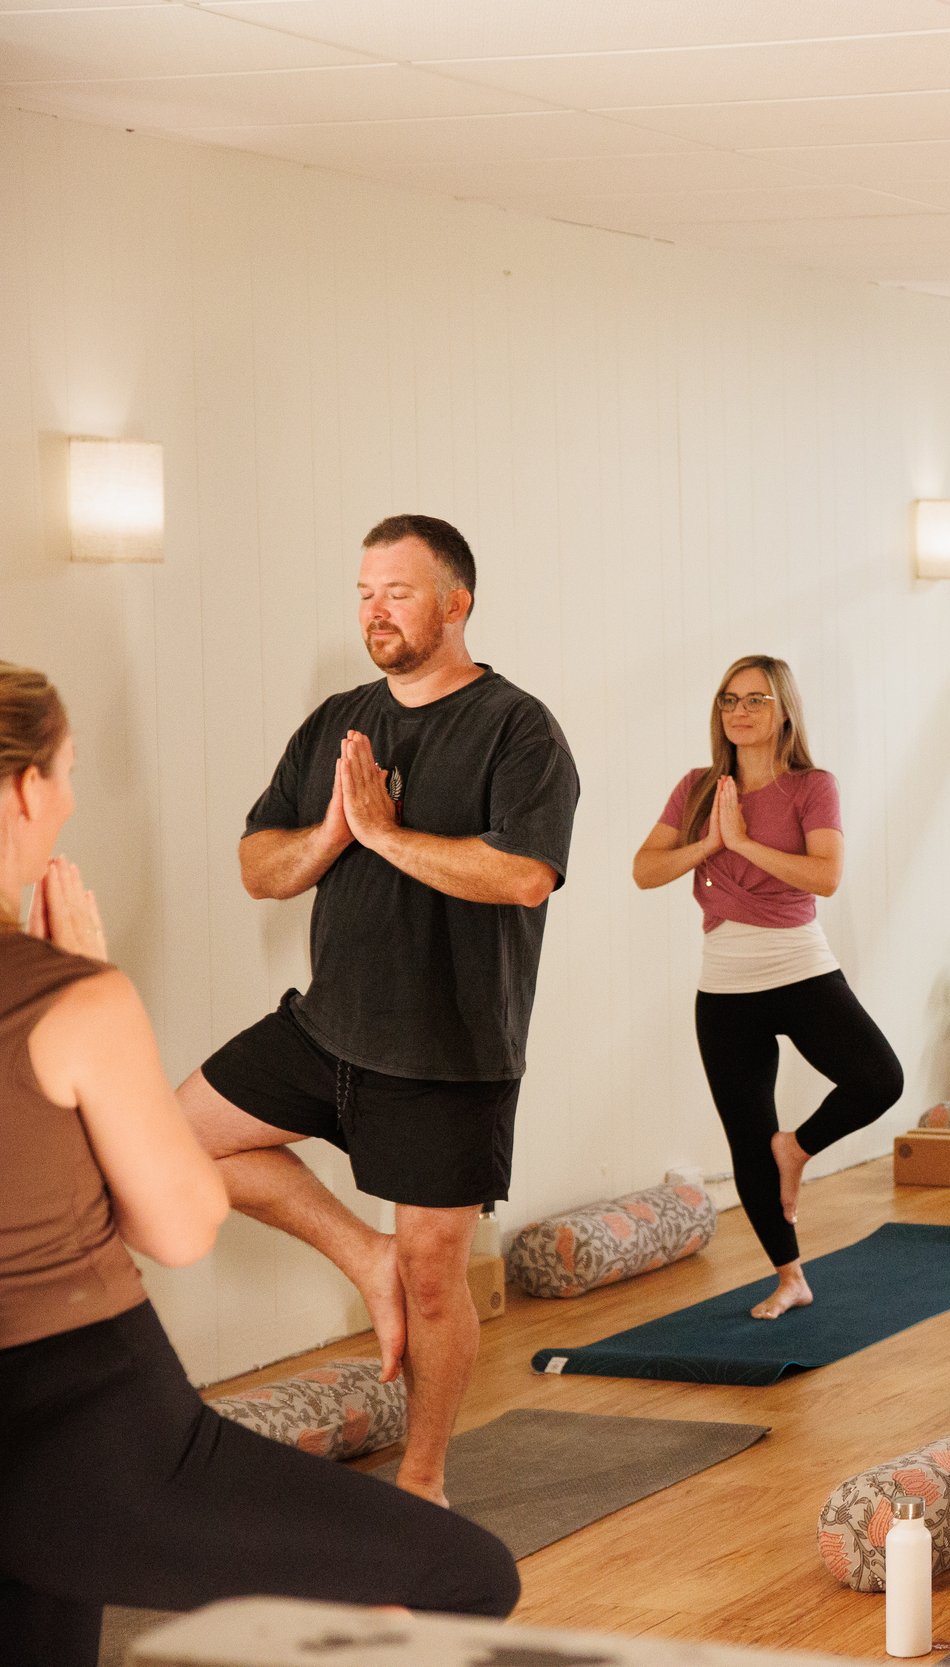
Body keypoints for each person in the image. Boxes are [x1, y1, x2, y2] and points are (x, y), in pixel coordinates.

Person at [0, 662, 519, 1667]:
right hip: (99, 1434)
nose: (69, 797)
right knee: (462, 1574)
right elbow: (183, 1222)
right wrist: (95, 981)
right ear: (22, 790)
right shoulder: (67, 996)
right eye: (66, 771)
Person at [176, 515, 580, 1507]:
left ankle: (425, 1480)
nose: (375, 610)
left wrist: (389, 835)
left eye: (396, 591)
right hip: (326, 1026)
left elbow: (525, 875)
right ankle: (366, 1256)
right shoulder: (337, 722)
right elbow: (257, 868)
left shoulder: (517, 727)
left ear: (456, 600)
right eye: (364, 591)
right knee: (179, 1134)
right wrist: (332, 834)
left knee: (439, 1275)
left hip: (449, 1052)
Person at [632, 655, 903, 1320]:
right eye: (729, 699)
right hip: (724, 982)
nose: (740, 711)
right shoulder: (697, 787)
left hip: (799, 965)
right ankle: (790, 1275)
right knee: (747, 1135)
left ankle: (799, 1146)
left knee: (878, 1078)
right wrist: (709, 844)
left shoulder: (813, 786)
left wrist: (744, 844)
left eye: (755, 699)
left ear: (784, 710)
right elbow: (644, 869)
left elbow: (825, 876)